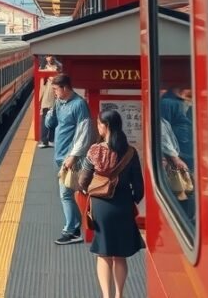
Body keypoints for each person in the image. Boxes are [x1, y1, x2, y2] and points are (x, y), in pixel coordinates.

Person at [79, 109, 145, 298]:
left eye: (99, 124)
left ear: (105, 126)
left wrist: (86, 190)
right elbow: (139, 187)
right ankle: (119, 295)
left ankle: (107, 296)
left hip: (101, 206)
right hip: (123, 205)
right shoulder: (130, 152)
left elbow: (83, 180)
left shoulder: (95, 150)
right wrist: (130, 200)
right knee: (120, 254)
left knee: (104, 252)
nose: (97, 127)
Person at [44, 73, 93, 245]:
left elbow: (84, 133)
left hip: (71, 157)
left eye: (56, 90)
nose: (55, 93)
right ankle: (75, 227)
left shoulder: (79, 105)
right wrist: (52, 108)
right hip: (60, 156)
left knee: (65, 193)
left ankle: (71, 230)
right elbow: (49, 124)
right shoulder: (60, 103)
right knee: (67, 193)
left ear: (65, 88)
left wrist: (73, 156)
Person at [38, 56, 61, 148]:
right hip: (46, 97)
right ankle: (44, 140)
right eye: (47, 56)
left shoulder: (58, 67)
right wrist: (39, 100)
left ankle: (51, 139)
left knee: (54, 119)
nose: (49, 58)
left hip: (55, 97)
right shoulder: (42, 68)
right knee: (44, 119)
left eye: (51, 56)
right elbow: (41, 86)